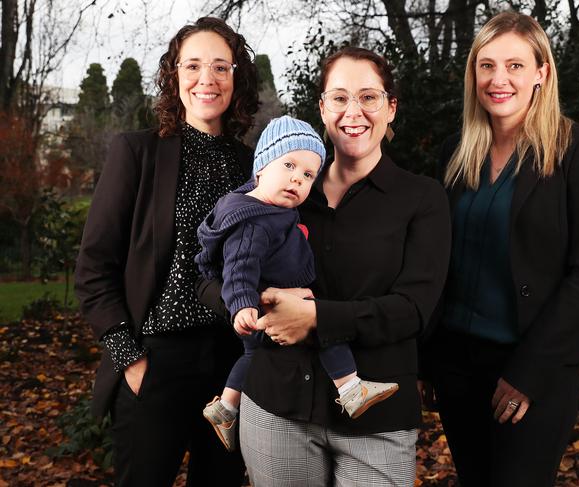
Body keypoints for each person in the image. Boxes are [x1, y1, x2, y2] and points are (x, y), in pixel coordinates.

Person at [199, 47, 452, 486]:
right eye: (339, 97)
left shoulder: (422, 198)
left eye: (369, 97)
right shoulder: (283, 190)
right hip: (276, 407)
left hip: (376, 420)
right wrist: (259, 309)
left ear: (391, 107)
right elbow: (208, 277)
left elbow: (414, 309)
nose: (353, 111)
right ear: (322, 108)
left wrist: (314, 318)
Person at [418, 11, 579, 487]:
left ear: (541, 72)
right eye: (486, 65)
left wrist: (527, 372)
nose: (498, 79)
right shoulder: (456, 151)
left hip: (533, 365)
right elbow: (440, 262)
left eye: (515, 65)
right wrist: (425, 358)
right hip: (457, 367)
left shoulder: (577, 149)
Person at [74, 17, 258, 486]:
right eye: (193, 65)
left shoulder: (252, 165)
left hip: (230, 365)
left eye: (221, 66)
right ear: (174, 75)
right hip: (155, 361)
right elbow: (95, 269)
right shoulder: (137, 152)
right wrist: (130, 360)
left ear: (236, 78)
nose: (207, 79)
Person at [195, 115, 400, 452]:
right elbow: (239, 266)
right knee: (324, 330)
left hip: (271, 303)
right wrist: (243, 304)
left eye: (307, 175)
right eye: (289, 165)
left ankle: (226, 407)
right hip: (266, 306)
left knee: (253, 354)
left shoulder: (272, 211)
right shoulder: (254, 220)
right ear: (260, 168)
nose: (297, 179)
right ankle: (350, 389)